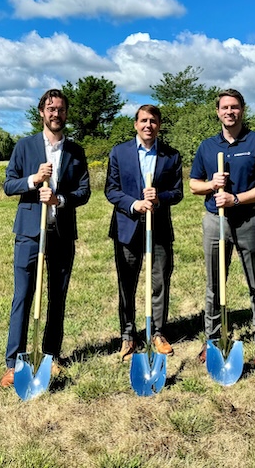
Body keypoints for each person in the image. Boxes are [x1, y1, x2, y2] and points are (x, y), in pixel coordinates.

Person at [0, 88, 91, 387]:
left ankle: (51, 356)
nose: (56, 114)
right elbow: (9, 185)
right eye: (51, 109)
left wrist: (59, 200)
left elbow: (84, 192)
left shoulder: (75, 152)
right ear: (41, 112)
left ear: (66, 114)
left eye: (61, 109)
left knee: (57, 297)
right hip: (29, 232)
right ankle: (14, 362)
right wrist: (33, 180)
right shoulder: (25, 147)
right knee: (23, 297)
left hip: (61, 233)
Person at [189, 88, 255, 368]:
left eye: (235, 107)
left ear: (242, 110)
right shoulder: (207, 146)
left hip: (247, 219)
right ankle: (213, 339)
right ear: (217, 112)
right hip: (215, 221)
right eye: (224, 107)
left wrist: (236, 198)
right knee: (214, 284)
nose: (230, 111)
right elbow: (194, 185)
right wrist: (211, 185)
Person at [105, 104, 183, 361]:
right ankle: (128, 336)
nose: (148, 125)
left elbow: (178, 192)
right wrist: (134, 204)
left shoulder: (171, 156)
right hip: (127, 228)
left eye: (153, 121)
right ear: (136, 124)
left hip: (159, 228)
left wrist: (159, 198)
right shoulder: (119, 152)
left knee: (160, 281)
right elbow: (111, 190)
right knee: (126, 284)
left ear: (159, 125)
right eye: (143, 121)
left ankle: (158, 333)